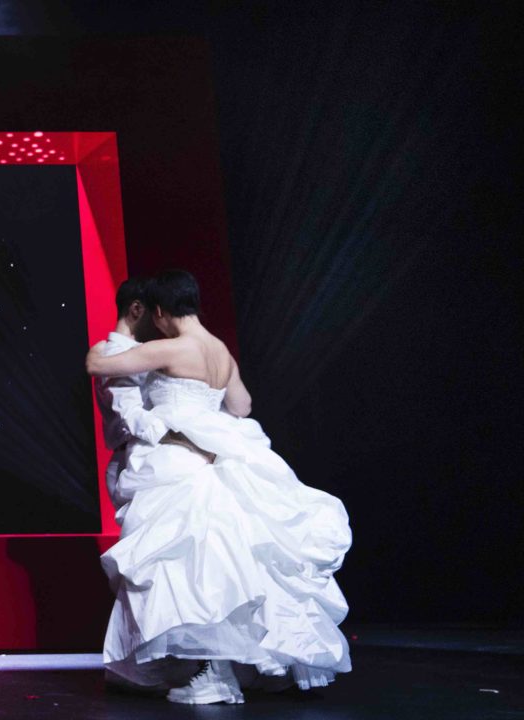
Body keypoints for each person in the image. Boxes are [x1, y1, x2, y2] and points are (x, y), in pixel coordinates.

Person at [85, 270, 352, 705]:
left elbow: (98, 364)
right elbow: (242, 405)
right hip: (218, 456)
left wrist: (174, 411)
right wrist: (206, 415)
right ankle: (246, 664)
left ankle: (212, 672)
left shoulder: (172, 347)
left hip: (178, 461)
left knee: (193, 569)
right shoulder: (221, 351)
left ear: (159, 311)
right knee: (237, 560)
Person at [93, 277, 169, 508]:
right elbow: (130, 414)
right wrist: (183, 437)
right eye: (156, 311)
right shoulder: (114, 355)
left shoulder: (139, 353)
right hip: (132, 466)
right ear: (136, 309)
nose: (161, 320)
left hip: (147, 458)